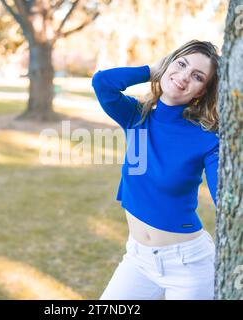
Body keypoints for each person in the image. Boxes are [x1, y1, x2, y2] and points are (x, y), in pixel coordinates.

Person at [91, 39, 220, 300]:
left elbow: (225, 201)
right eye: (181, 64)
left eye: (197, 77)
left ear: (201, 92)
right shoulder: (136, 116)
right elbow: (102, 83)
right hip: (138, 259)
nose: (184, 77)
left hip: (189, 267)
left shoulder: (207, 138)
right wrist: (153, 70)